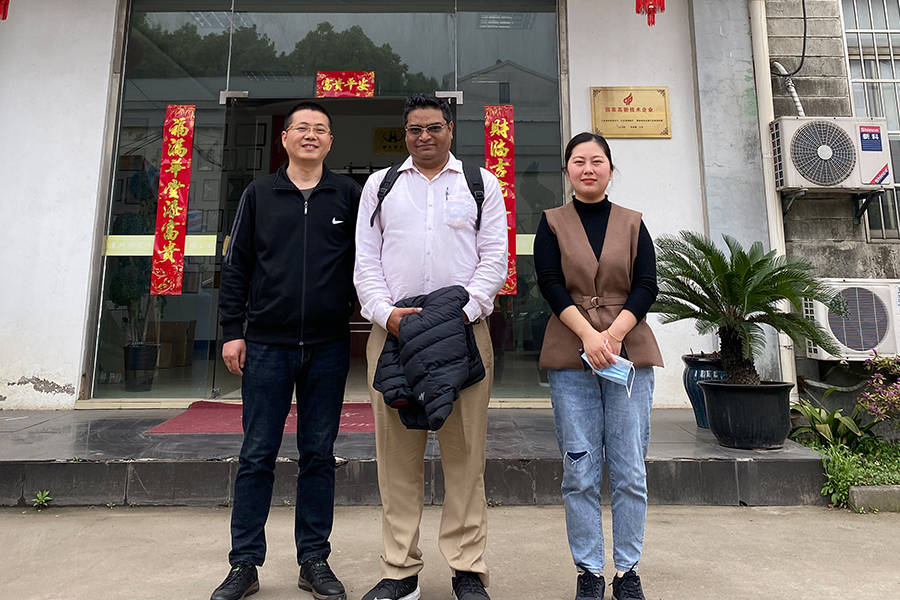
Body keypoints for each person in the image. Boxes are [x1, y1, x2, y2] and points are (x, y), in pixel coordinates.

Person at [354, 93, 508, 600]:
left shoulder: (480, 183)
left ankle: (468, 569)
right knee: (397, 459)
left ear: (450, 129)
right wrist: (385, 314)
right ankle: (400, 571)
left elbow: (494, 259)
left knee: (466, 459)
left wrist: (459, 314)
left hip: (463, 333)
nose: (425, 136)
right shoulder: (381, 185)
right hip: (394, 335)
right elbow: (365, 261)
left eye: (434, 127)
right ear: (405, 134)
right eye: (415, 129)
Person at [212, 101, 361, 600]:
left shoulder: (348, 194)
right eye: (302, 127)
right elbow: (237, 265)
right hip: (266, 345)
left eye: (320, 129)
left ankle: (313, 559)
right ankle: (244, 564)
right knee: (257, 453)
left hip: (328, 344)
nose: (310, 135)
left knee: (318, 454)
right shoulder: (259, 193)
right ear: (285, 137)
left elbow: (368, 260)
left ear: (331, 141)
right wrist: (232, 330)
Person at [534, 132, 663, 600]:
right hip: (571, 356)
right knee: (580, 469)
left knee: (630, 470)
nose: (588, 169)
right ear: (567, 170)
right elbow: (550, 283)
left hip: (628, 353)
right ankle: (589, 572)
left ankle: (627, 572)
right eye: (578, 161)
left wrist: (613, 336)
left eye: (597, 161)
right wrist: (589, 337)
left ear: (610, 168)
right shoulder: (551, 223)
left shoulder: (633, 223)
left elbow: (647, 285)